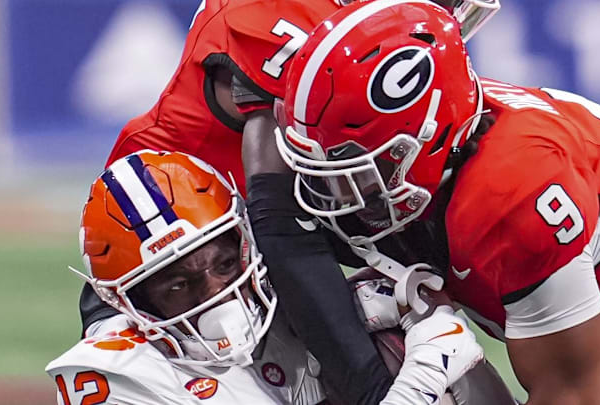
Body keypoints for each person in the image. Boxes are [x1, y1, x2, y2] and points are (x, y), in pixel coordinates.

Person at [276, 1, 600, 404]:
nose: (339, 198)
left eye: (356, 172)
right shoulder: (454, 128)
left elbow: (570, 395)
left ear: (427, 137)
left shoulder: (513, 194)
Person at [77, 0, 508, 403]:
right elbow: (280, 222)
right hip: (183, 244)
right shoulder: (279, 14)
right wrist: (378, 393)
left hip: (282, 222)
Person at [47, 150, 492, 405]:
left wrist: (424, 322)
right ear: (128, 301)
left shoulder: (288, 298)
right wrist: (418, 384)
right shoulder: (110, 377)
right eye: (179, 286)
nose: (217, 293)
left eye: (224, 264)